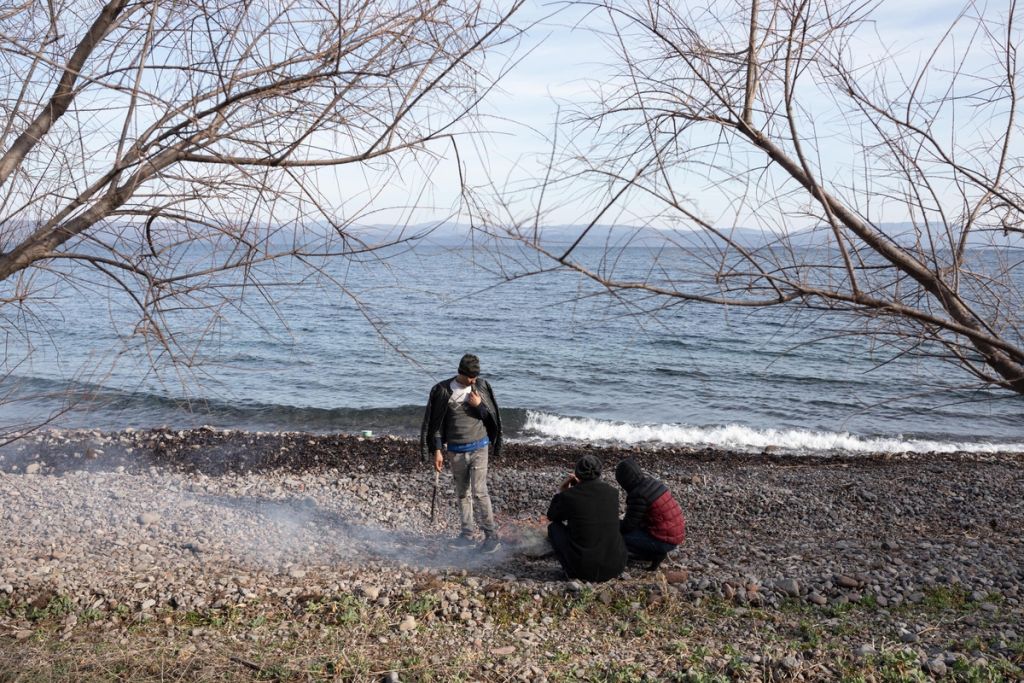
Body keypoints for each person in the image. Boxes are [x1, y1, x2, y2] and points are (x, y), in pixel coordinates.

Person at [420, 353, 503, 553]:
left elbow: (489, 418)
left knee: (480, 492)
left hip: (479, 447)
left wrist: (479, 405)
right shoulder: (442, 390)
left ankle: (492, 536)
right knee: (462, 493)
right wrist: (437, 450)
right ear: (461, 372)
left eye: (476, 376)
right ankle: (467, 535)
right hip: (455, 450)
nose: (474, 380)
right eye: (471, 377)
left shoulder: (480, 387)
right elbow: (436, 424)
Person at [546, 455, 627, 582]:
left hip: (583, 570)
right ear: (599, 472)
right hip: (616, 566)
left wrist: (562, 492)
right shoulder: (612, 492)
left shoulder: (570, 496)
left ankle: (569, 571)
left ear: (577, 473)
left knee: (554, 528)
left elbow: (552, 516)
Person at [614, 457, 686, 570]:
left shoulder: (638, 495)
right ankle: (654, 552)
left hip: (664, 540)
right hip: (675, 534)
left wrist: (612, 525)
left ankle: (653, 554)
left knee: (618, 537)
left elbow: (628, 526)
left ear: (624, 481)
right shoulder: (653, 483)